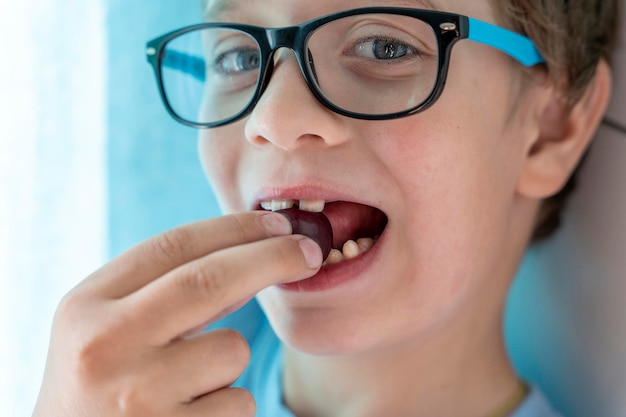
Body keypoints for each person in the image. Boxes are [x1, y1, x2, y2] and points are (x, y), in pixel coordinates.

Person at [33, 0, 621, 416]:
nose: (274, 118)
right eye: (237, 59)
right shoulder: (119, 390)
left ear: (552, 127)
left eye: (384, 46)